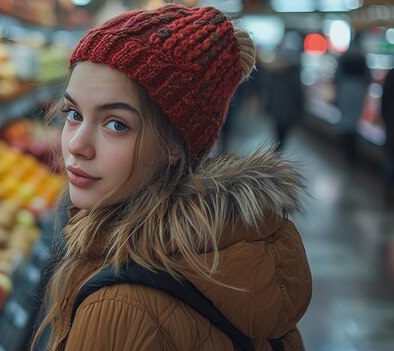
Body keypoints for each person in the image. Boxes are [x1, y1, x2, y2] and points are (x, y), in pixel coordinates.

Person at [32, 5, 312, 351]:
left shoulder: (120, 308)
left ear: (176, 145)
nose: (76, 145)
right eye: (73, 114)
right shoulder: (244, 249)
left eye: (116, 124)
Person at [262, 31, 305, 151]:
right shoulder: (296, 67)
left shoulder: (275, 65)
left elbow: (268, 86)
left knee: (277, 133)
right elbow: (297, 89)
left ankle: (277, 152)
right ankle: (278, 152)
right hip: (289, 107)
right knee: (283, 134)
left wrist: (267, 105)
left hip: (276, 106)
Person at [334, 36, 371, 164]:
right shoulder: (362, 58)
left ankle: (347, 152)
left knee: (345, 123)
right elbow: (368, 78)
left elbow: (337, 77)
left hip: (345, 91)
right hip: (358, 92)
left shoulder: (343, 58)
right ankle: (353, 154)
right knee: (354, 123)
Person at [381, 67, 394, 205]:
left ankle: (388, 186)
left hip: (392, 120)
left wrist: (386, 118)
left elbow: (385, 99)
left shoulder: (391, 73)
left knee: (390, 154)